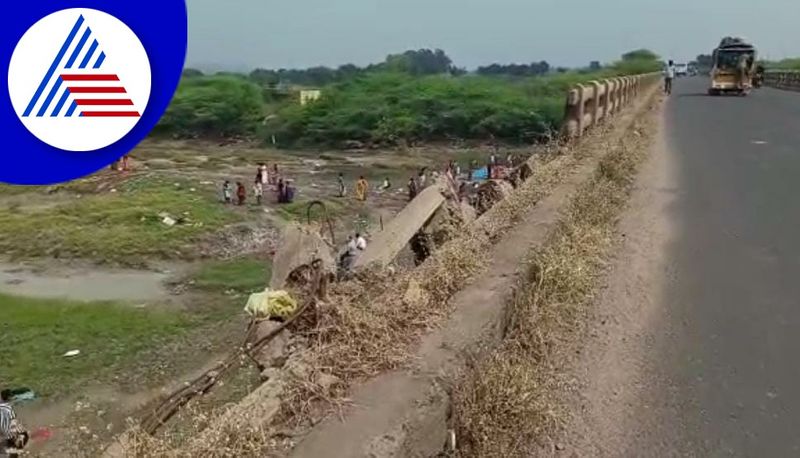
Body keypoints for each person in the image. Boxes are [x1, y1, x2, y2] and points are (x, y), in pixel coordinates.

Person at [1, 389, 28, 458]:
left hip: (2, 429)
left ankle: (14, 450)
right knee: (25, 435)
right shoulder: (8, 408)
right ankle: (18, 450)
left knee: (10, 442)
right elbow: (13, 421)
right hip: (9, 429)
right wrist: (16, 433)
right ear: (9, 397)